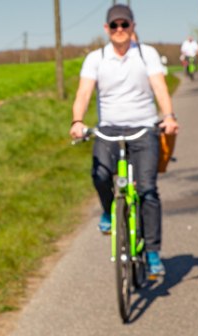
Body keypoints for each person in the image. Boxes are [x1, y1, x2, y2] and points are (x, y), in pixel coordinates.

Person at [70, 4, 179, 277]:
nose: (120, 30)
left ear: (133, 27)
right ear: (107, 29)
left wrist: (168, 116)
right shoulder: (96, 59)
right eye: (115, 25)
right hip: (108, 129)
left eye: (125, 25)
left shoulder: (146, 54)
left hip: (143, 128)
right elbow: (84, 93)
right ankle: (108, 212)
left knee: (148, 191)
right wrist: (78, 121)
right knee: (100, 175)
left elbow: (159, 88)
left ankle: (152, 253)